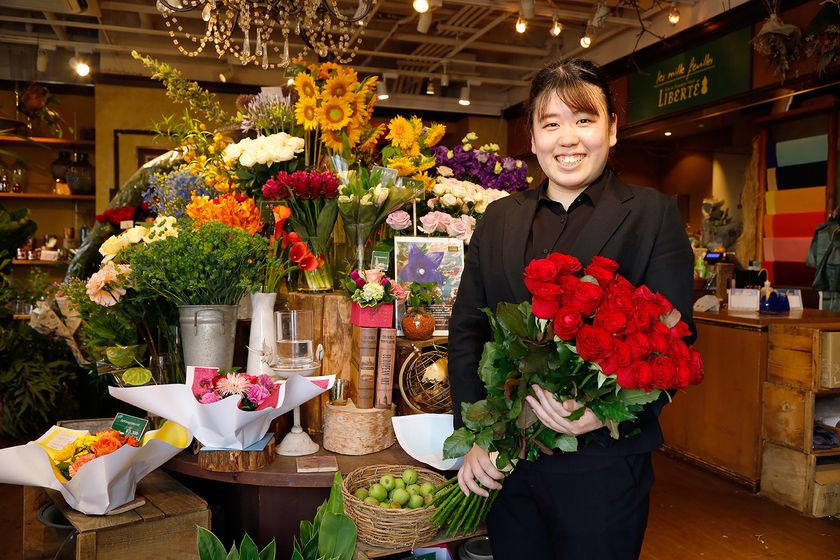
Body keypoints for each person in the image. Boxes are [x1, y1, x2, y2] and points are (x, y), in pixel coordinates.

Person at [447, 58, 696, 560]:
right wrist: (472, 435)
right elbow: (468, 330)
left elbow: (677, 339)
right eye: (551, 123)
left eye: (584, 120)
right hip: (508, 465)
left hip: (602, 468)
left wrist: (604, 414)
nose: (569, 138)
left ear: (612, 130)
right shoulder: (499, 218)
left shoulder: (651, 214)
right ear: (533, 138)